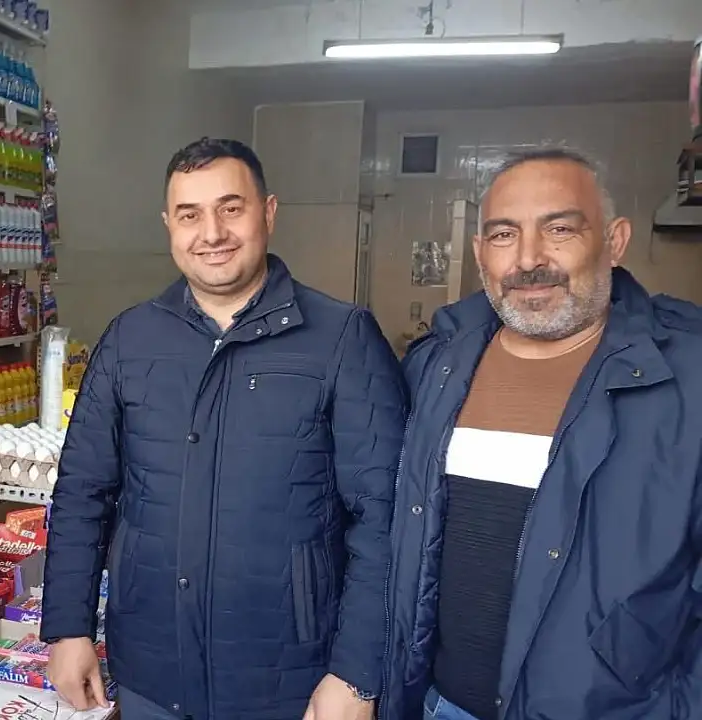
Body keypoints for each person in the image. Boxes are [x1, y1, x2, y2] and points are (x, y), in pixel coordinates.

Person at [43, 137, 406, 720]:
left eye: (230, 208)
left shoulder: (342, 339)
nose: (211, 233)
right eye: (189, 215)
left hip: (291, 683)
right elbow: (82, 490)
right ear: (169, 225)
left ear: (268, 212)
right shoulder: (129, 340)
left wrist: (358, 674)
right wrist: (68, 627)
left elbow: (384, 518)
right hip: (150, 672)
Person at [383, 148, 702, 720]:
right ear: (480, 253)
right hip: (434, 705)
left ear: (615, 241)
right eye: (504, 235)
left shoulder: (687, 377)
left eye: (559, 229)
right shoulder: (437, 363)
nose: (529, 259)